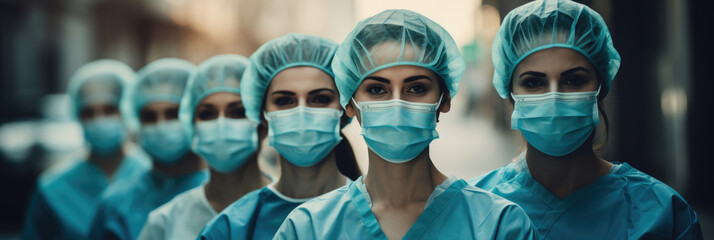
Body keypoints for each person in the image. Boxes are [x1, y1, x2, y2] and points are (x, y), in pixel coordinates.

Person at [274, 9, 535, 240]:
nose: (397, 104)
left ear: (444, 99)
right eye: (377, 90)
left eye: (416, 88)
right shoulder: (308, 228)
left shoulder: (498, 224)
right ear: (350, 104)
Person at [470, 0, 703, 239]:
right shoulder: (475, 208)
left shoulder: (663, 213)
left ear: (601, 88)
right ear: (510, 93)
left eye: (573, 80)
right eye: (533, 82)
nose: (554, 98)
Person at [198, 33, 361, 239]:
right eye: (285, 101)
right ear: (263, 116)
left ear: (344, 108)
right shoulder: (232, 228)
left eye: (319, 99)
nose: (302, 112)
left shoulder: (377, 213)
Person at [137, 54, 271, 240]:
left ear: (263, 124)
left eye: (238, 112)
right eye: (207, 114)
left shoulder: (294, 213)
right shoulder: (166, 223)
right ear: (191, 127)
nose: (221, 124)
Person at [23, 60, 150, 240]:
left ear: (127, 112)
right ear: (77, 116)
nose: (99, 120)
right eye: (89, 112)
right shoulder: (53, 189)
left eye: (109, 109)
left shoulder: (155, 177)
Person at [88, 58, 208, 240]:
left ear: (195, 116)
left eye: (172, 113)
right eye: (150, 117)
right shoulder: (116, 206)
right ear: (136, 123)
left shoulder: (225, 196)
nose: (161, 125)